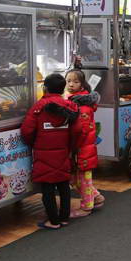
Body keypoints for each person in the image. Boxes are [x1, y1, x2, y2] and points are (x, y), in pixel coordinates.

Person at [20, 73, 81, 230]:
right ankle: (64, 217)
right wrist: (71, 147)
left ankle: (53, 221)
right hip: (63, 152)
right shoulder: (70, 107)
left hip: (43, 153)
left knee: (47, 187)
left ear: (45, 88)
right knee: (63, 184)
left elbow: (26, 131)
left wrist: (34, 144)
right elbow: (78, 130)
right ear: (63, 88)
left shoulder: (38, 107)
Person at [64, 70, 103, 218]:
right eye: (68, 81)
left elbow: (81, 131)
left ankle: (86, 207)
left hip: (82, 149)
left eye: (75, 82)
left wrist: (73, 148)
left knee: (84, 179)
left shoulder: (82, 106)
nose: (71, 84)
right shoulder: (74, 101)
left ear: (82, 85)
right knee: (75, 178)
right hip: (80, 148)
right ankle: (97, 197)